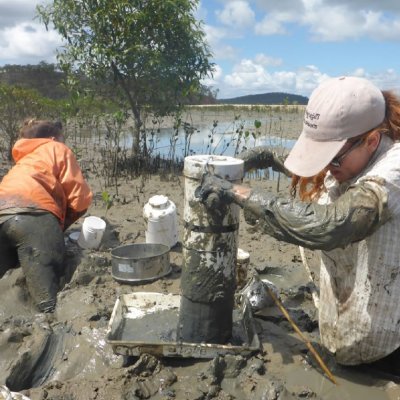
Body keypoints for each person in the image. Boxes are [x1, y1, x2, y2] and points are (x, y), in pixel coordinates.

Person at [196, 76, 400, 369]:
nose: (327, 167)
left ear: (371, 141)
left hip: (388, 345)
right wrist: (261, 157)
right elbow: (303, 165)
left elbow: (332, 226)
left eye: (334, 159)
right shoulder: (350, 155)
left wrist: (237, 193)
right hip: (346, 329)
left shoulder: (392, 172)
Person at [0, 119, 93, 313]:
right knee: (47, 303)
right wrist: (58, 228)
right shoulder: (56, 148)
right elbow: (80, 199)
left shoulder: (24, 161)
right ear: (53, 138)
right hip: (33, 215)